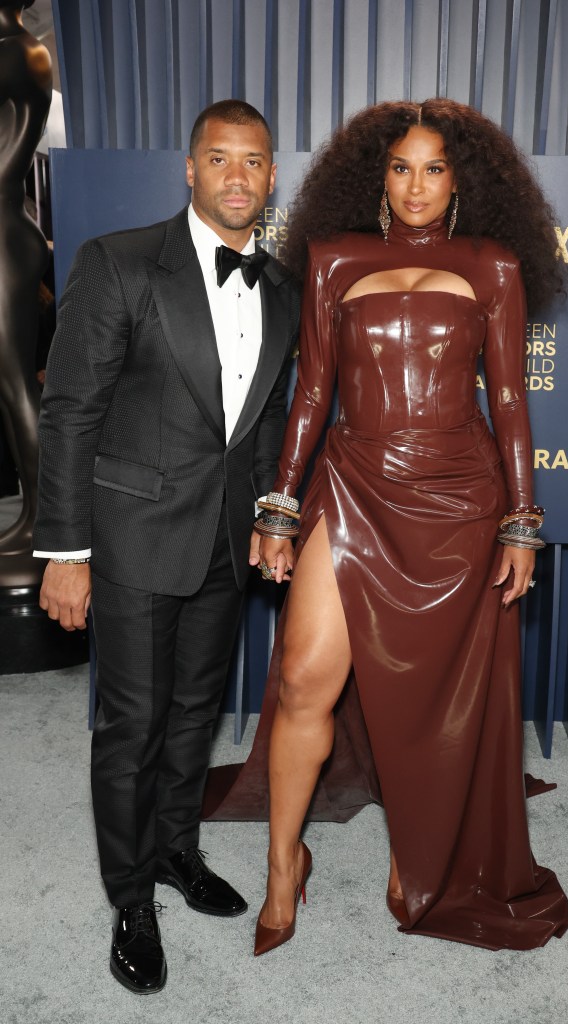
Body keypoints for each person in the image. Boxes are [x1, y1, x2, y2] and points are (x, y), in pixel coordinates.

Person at [203, 98, 568, 954]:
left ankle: (425, 859)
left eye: (434, 168)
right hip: (355, 482)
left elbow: (509, 399)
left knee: (434, 703)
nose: (416, 186)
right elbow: (311, 395)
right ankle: (281, 863)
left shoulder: (493, 265)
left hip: (457, 501)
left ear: (460, 179)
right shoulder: (333, 261)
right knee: (301, 678)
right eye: (401, 167)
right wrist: (281, 505)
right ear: (378, 174)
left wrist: (521, 520)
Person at [33, 100, 300, 992]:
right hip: (133, 535)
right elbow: (70, 412)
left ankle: (177, 854)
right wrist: (65, 552)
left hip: (223, 543)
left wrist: (269, 515)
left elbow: (262, 425)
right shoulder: (119, 262)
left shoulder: (280, 286)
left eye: (253, 161)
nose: (236, 175)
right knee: (133, 726)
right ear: (190, 170)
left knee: (195, 716)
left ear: (271, 176)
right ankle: (129, 896)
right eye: (218, 158)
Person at [0, 0, 51, 560]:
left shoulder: (16, 53)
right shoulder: (23, 52)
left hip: (4, 230)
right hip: (11, 225)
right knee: (10, 382)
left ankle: (42, 518)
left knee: (15, 382)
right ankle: (36, 512)